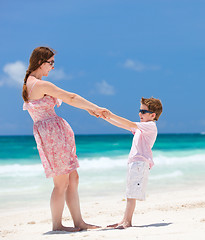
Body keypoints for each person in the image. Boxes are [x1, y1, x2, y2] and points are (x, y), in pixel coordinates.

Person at [22, 46, 104, 232]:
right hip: (52, 136)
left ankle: (79, 222)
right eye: (51, 63)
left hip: (54, 134)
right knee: (61, 183)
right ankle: (57, 225)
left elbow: (70, 99)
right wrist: (96, 108)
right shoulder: (40, 85)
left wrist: (90, 110)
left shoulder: (32, 82)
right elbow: (71, 97)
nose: (52, 67)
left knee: (73, 178)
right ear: (40, 63)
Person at [101, 97, 163, 229]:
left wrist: (111, 114)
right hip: (135, 163)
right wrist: (105, 117)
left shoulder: (150, 126)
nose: (140, 114)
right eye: (139, 110)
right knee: (130, 192)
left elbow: (129, 123)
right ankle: (124, 220)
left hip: (140, 163)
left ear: (153, 115)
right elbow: (123, 125)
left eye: (143, 111)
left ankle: (127, 221)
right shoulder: (142, 128)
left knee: (131, 194)